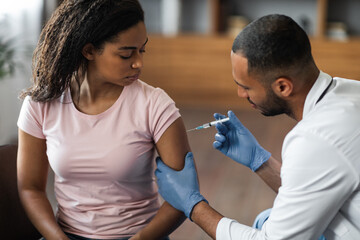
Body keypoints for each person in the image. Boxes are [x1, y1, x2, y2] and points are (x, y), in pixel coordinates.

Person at [155, 14, 360, 240]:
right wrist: (259, 160)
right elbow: (313, 188)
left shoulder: (315, 139)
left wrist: (192, 204)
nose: (240, 95)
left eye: (246, 87)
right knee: (268, 217)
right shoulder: (350, 91)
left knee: (268, 222)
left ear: (283, 86)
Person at [17, 0, 191, 239]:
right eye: (126, 54)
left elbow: (185, 195)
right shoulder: (41, 103)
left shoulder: (155, 105)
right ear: (89, 51)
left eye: (142, 50)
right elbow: (30, 188)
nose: (139, 62)